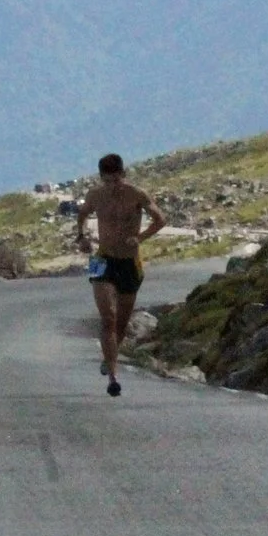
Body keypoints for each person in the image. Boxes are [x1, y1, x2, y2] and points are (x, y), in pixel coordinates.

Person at [75, 153, 165, 397]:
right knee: (108, 317)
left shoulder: (137, 194)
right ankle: (113, 376)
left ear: (123, 174)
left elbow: (160, 219)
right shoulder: (95, 195)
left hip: (129, 262)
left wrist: (140, 238)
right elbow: (82, 215)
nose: (112, 186)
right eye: (107, 181)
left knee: (122, 323)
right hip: (102, 259)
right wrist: (82, 237)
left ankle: (110, 357)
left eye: (116, 180)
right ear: (101, 178)